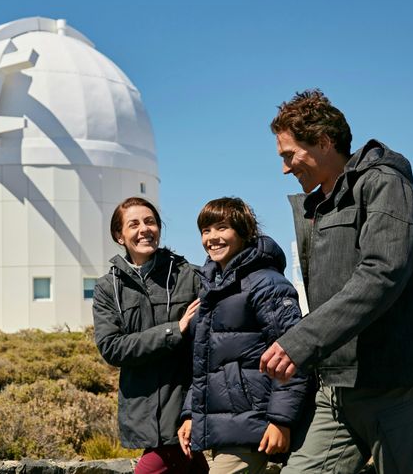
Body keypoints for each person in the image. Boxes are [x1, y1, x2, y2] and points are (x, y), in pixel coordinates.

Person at [260, 89, 413, 473]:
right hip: (336, 391)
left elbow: (382, 272)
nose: (284, 168)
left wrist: (301, 341)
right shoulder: (321, 205)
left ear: (323, 141)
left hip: (395, 386)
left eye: (289, 154)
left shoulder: (385, 185)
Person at [177, 197, 308, 474]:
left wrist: (280, 420)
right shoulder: (212, 288)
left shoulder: (267, 284)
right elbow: (204, 365)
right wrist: (191, 414)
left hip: (254, 425)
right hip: (226, 426)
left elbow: (295, 354)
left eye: (221, 228)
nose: (212, 238)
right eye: (205, 230)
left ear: (245, 231)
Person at [93, 197, 207, 474]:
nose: (144, 229)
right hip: (142, 411)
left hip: (183, 408)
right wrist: (174, 330)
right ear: (119, 236)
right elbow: (112, 348)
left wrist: (194, 410)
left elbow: (208, 346)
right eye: (134, 224)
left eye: (150, 222)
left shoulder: (189, 276)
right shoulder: (108, 288)